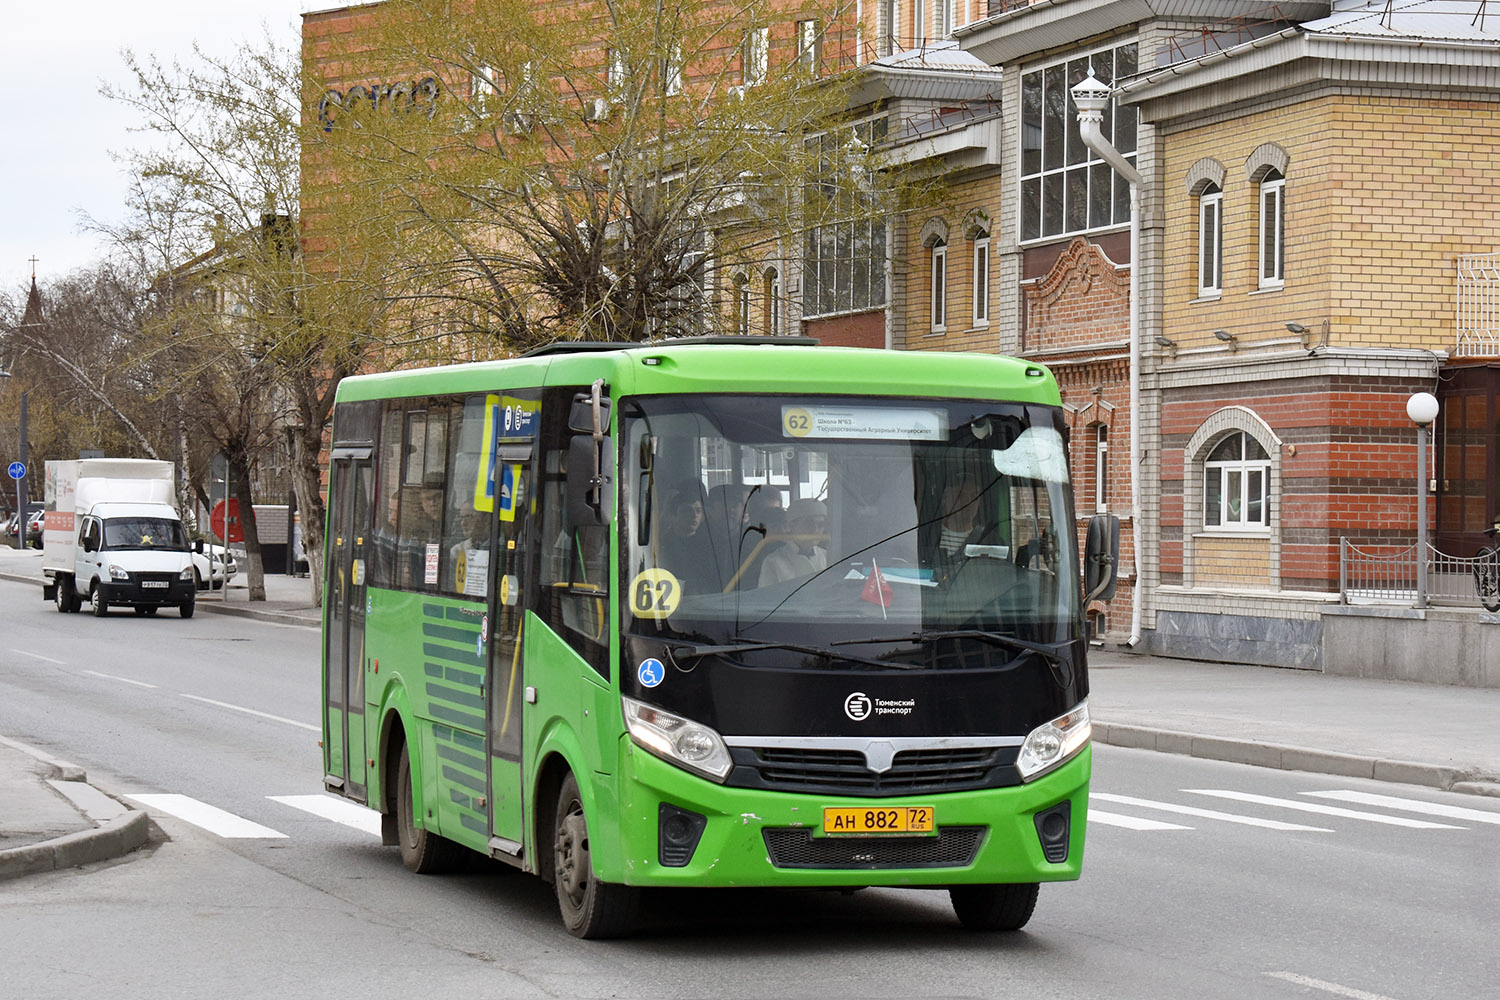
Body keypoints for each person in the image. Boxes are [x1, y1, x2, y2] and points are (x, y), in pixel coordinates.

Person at [759, 498, 829, 587]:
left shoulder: (828, 557)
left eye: (820, 525)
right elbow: (765, 599)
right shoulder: (773, 562)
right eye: (808, 523)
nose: (815, 530)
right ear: (791, 526)